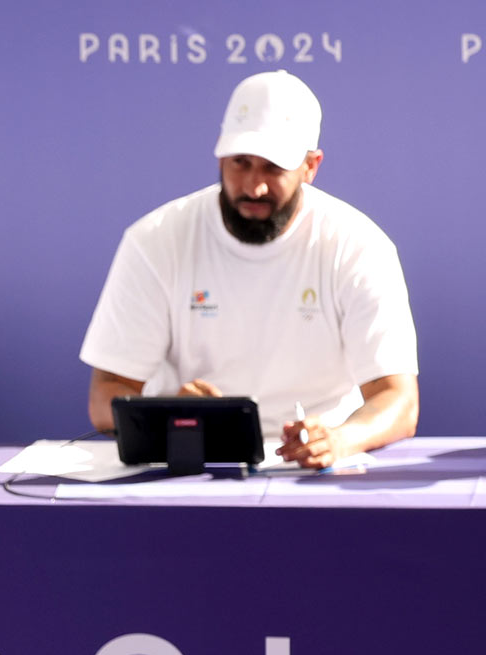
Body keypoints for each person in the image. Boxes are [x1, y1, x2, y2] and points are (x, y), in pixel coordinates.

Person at [80, 71, 419, 470]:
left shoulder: (358, 245)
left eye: (273, 168)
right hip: (190, 462)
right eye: (240, 164)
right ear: (220, 157)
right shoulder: (156, 239)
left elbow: (398, 399)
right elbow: (105, 396)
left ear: (311, 166)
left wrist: (339, 439)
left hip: (316, 468)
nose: (253, 187)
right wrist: (168, 413)